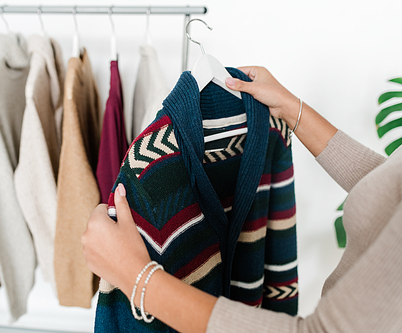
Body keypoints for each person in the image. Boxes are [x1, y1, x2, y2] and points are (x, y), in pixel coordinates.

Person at [82, 66, 402, 332]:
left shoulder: (155, 160)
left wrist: (137, 279)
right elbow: (390, 191)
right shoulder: (152, 165)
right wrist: (293, 110)